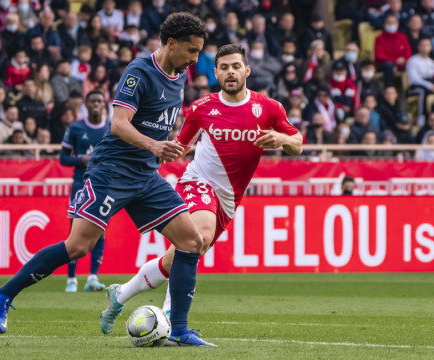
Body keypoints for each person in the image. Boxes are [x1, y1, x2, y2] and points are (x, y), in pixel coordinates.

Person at [0, 12, 214, 347]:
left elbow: (156, 122)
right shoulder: (139, 71)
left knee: (192, 242)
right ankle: (1, 296)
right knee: (78, 246)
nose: (195, 59)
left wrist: (167, 146)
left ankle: (178, 329)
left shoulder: (178, 75)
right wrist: (153, 145)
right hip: (112, 171)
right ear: (171, 43)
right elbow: (119, 124)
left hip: (146, 175)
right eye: (192, 50)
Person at [98, 44, 302, 336]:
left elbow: (299, 142)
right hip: (197, 183)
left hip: (229, 199)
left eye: (235, 66)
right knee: (200, 236)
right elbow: (180, 148)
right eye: (223, 67)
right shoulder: (203, 107)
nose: (230, 72)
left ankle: (119, 295)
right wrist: (142, 157)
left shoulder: (268, 108)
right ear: (215, 73)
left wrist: (283, 139)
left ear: (247, 70)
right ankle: (171, 320)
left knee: (179, 256)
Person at [60, 90, 111, 292]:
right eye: (92, 101)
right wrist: (80, 160)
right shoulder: (75, 127)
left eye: (99, 101)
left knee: (101, 230)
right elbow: (63, 158)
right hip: (80, 184)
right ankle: (71, 279)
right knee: (75, 231)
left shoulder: (112, 128)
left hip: (104, 185)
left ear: (104, 104)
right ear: (86, 104)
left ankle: (92, 277)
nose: (96, 104)